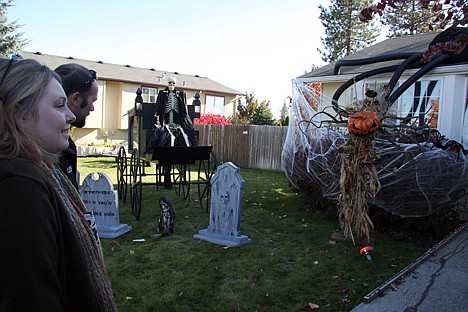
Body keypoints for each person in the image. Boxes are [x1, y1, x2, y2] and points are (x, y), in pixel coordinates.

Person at [0, 57, 116, 311]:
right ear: (19, 113)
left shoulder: (44, 170)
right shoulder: (19, 186)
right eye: (59, 105)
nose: (69, 115)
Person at [55, 63, 98, 190]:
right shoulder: (54, 148)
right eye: (93, 101)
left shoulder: (65, 144)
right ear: (76, 99)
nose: (92, 108)